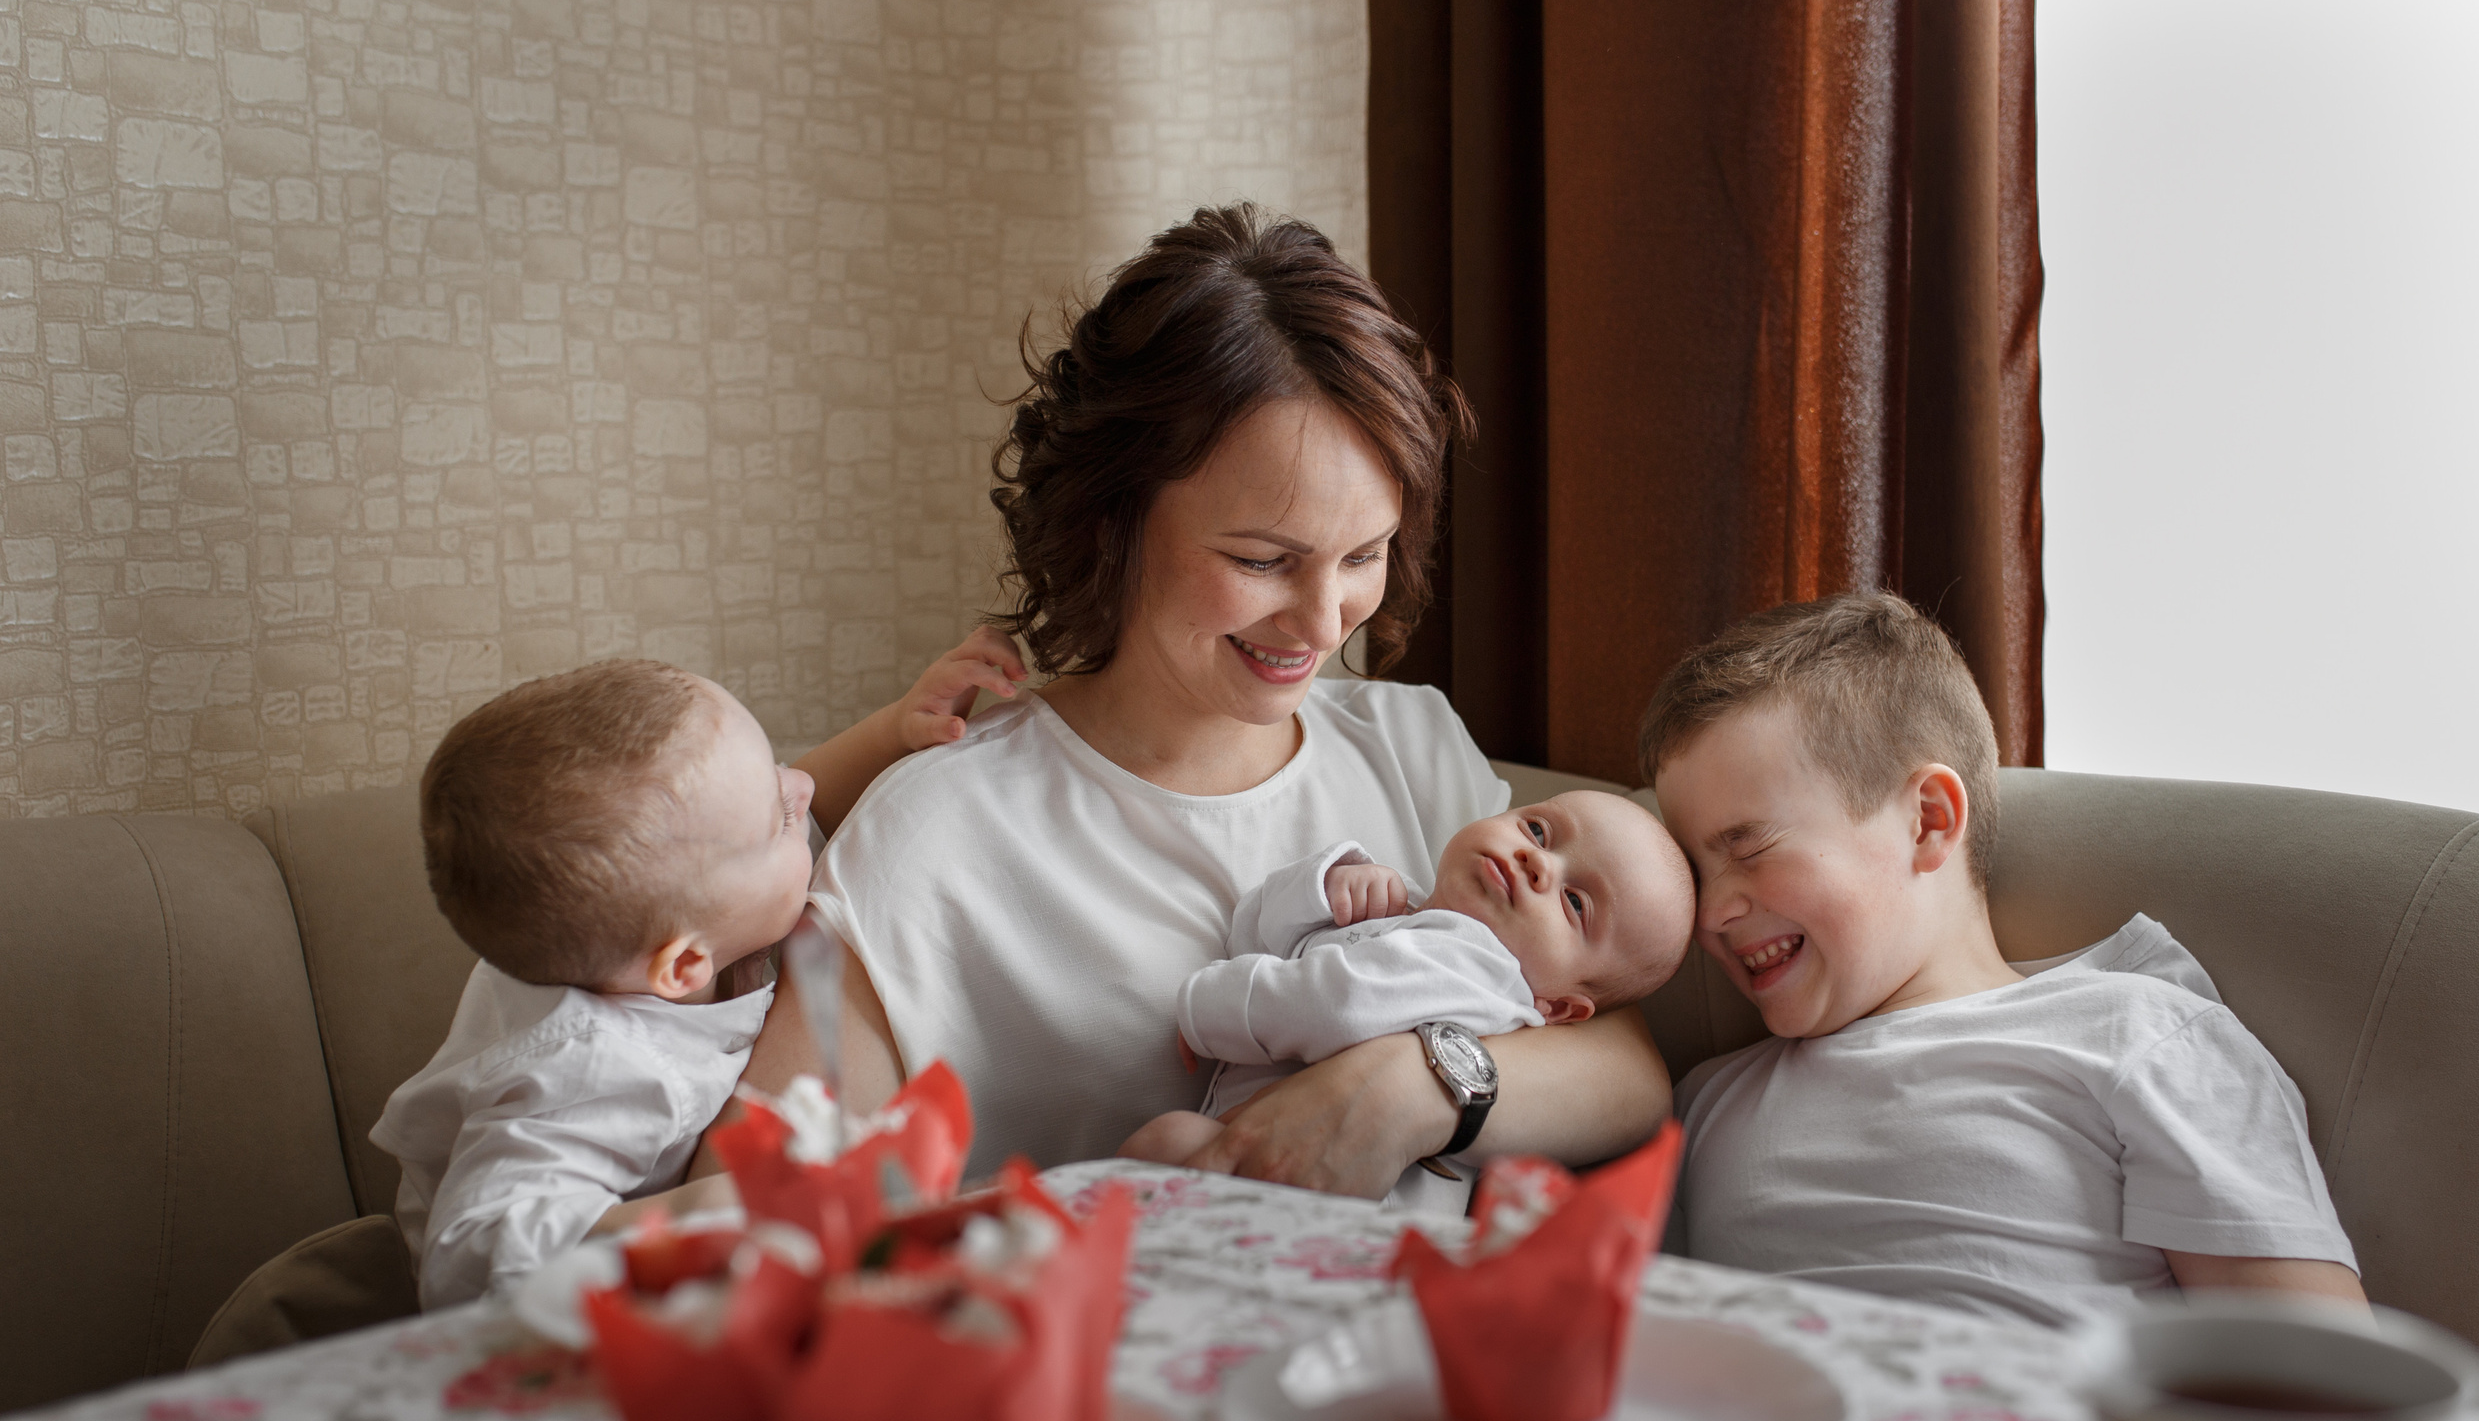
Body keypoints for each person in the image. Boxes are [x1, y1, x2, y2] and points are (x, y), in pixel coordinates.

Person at [707, 205, 1671, 1196]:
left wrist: (1404, 1088)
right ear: (1111, 524)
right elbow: (757, 1193)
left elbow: (1627, 1067)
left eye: (1364, 555)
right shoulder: (942, 831)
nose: (1321, 618)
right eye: (1262, 559)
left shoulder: (1411, 748)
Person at [1641, 592, 2363, 1329]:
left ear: (1929, 820)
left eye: (1751, 848)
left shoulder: (2136, 1034)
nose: (1710, 913)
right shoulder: (1705, 1101)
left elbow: (2323, 1376)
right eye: (1696, 875)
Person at [372, 632, 1021, 1308]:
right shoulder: (590, 1071)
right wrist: (714, 1201)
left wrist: (897, 725)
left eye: (778, 771)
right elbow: (467, 1253)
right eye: (780, 817)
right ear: (683, 965)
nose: (802, 784)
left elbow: (795, 805)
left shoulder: (647, 926)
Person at [1120, 791, 1695, 1211]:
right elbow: (1255, 935)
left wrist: (1206, 1010)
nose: (1536, 862)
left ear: (1560, 1009)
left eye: (1574, 903)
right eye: (1539, 831)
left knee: (1163, 1146)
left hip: (1351, 1202)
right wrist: (1327, 887)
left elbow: (1334, 1004)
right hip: (1292, 1180)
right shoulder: (1412, 918)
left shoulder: (1477, 966)